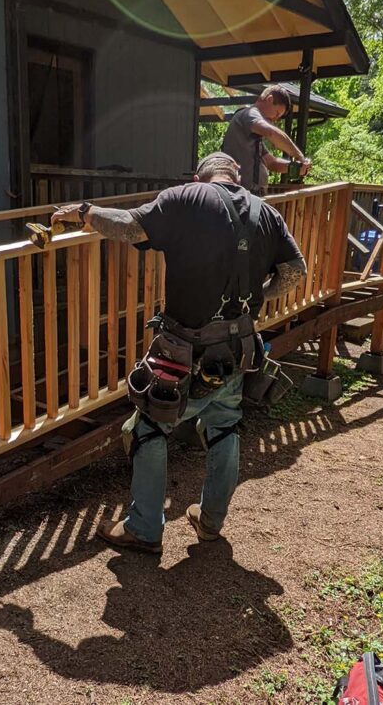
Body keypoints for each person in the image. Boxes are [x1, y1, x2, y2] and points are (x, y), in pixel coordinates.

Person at [51, 152, 306, 554]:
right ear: (236, 176)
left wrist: (86, 212)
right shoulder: (266, 213)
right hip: (240, 346)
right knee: (224, 426)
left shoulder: (186, 197)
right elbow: (295, 272)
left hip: (184, 348)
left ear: (199, 176)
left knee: (147, 428)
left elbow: (131, 227)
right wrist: (256, 298)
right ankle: (210, 522)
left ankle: (144, 529)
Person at [221, 84, 312, 195]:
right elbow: (271, 133)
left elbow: (271, 163)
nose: (275, 119)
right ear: (269, 99)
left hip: (252, 195)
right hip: (240, 194)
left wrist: (297, 168)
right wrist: (299, 156)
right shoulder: (249, 113)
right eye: (277, 113)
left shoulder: (253, 138)